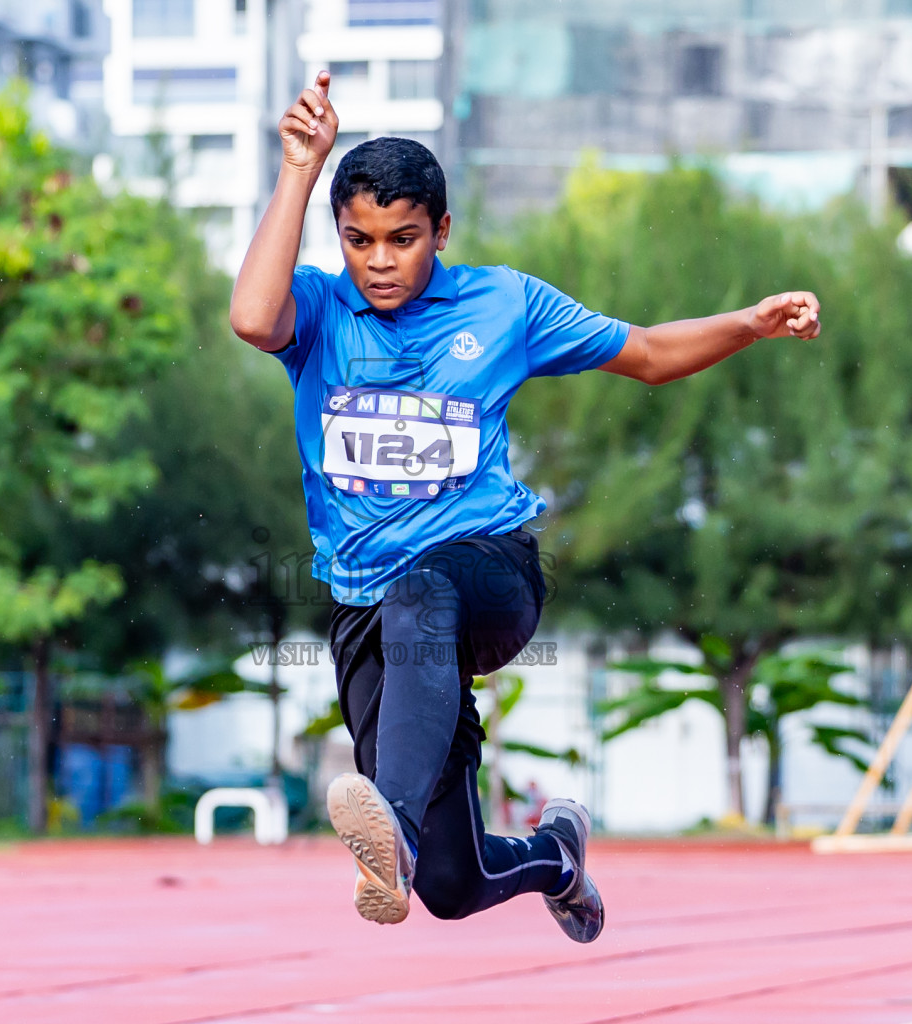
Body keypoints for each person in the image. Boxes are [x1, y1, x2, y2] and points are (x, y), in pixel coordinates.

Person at [228, 71, 821, 943]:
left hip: (487, 571)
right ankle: (557, 856)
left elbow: (649, 353)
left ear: (442, 231)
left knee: (422, 594)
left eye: (403, 239)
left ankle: (388, 823)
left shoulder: (504, 303)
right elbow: (249, 317)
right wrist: (299, 170)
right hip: (365, 609)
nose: (381, 262)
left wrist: (751, 323)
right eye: (359, 241)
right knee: (452, 885)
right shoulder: (318, 309)